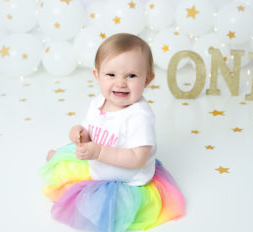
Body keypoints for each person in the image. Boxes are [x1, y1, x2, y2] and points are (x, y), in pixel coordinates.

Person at [39, 33, 185, 232]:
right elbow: (89, 132)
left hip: (126, 182)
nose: (121, 83)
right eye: (111, 75)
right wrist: (79, 133)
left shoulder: (140, 116)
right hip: (96, 166)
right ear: (97, 75)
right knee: (66, 169)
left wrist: (99, 152)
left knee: (106, 212)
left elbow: (137, 159)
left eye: (131, 75)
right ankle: (57, 160)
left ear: (147, 79)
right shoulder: (98, 102)